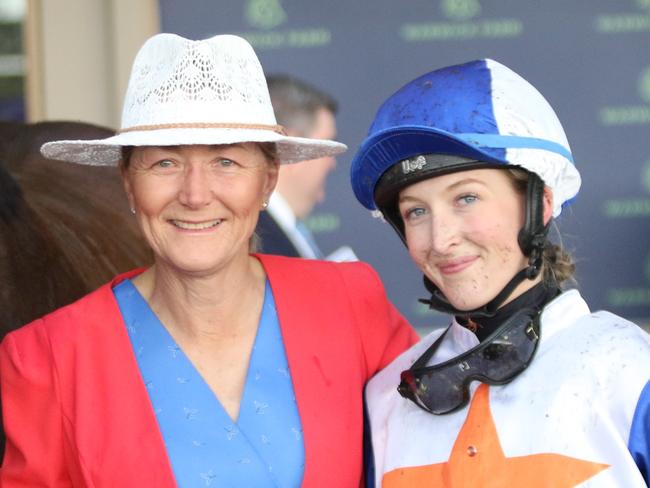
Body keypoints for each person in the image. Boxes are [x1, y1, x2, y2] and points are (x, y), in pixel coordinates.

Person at [0, 33, 418, 486]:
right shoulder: (45, 357)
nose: (195, 195)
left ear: (268, 180)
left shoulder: (349, 302)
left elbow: (432, 455)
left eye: (226, 162)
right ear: (127, 182)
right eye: (165, 163)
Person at [350, 58, 650, 486]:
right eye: (416, 211)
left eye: (466, 198)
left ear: (540, 204)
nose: (440, 239)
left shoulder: (629, 368)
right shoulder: (384, 398)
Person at [256, 74, 356, 261]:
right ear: (293, 146)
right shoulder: (253, 240)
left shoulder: (276, 230)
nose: (332, 162)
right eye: (325, 145)